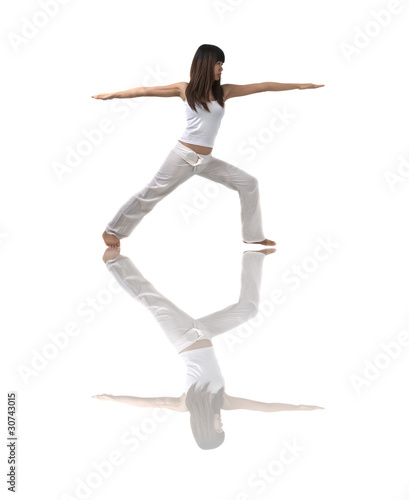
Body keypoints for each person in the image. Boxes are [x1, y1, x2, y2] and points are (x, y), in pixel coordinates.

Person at [91, 44, 324, 248]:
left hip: (206, 161)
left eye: (222, 63)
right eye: (218, 63)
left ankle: (253, 237)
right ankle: (112, 230)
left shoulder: (224, 91)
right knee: (151, 194)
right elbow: (144, 90)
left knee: (249, 183)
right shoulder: (184, 89)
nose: (222, 68)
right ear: (204, 64)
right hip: (183, 157)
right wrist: (112, 95)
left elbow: (262, 86)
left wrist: (300, 86)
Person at [92, 247, 324, 450]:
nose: (222, 425)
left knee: (152, 299)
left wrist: (112, 398)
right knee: (248, 310)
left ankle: (113, 261)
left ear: (206, 430)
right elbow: (264, 407)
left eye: (218, 430)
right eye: (222, 429)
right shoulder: (223, 402)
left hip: (183, 338)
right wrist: (300, 407)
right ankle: (254, 254)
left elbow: (148, 402)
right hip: (205, 333)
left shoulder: (186, 404)